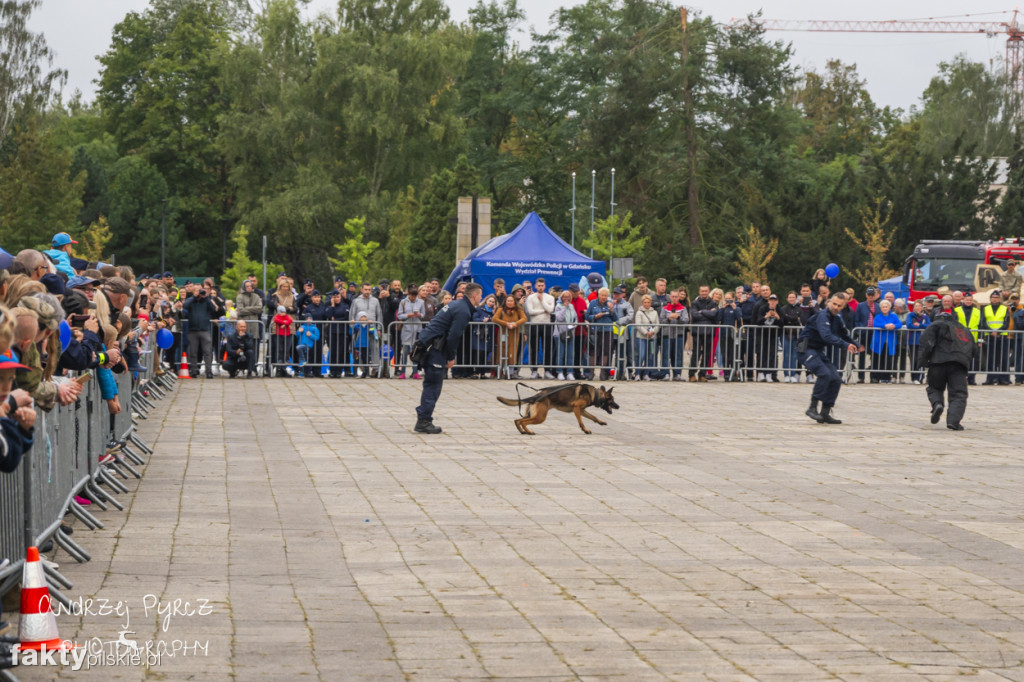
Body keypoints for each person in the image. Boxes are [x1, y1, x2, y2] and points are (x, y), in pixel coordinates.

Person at [413, 283, 482, 433]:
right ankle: (424, 420)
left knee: (431, 384)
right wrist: (451, 357)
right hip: (435, 349)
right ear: (474, 296)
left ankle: (424, 417)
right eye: (480, 296)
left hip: (430, 345)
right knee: (433, 386)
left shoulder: (457, 305)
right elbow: (454, 336)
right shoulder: (463, 310)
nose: (481, 299)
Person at [798, 293, 862, 424]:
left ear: (843, 307)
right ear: (829, 302)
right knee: (825, 374)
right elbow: (826, 336)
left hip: (817, 351)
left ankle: (825, 412)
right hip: (806, 349)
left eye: (839, 305)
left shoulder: (837, 319)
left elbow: (844, 335)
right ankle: (812, 407)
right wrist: (845, 345)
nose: (836, 307)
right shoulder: (823, 316)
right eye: (834, 304)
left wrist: (856, 345)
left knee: (836, 379)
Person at [918, 311, 976, 431]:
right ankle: (953, 421)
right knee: (959, 393)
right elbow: (974, 349)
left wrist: (923, 362)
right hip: (958, 364)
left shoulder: (934, 325)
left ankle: (937, 404)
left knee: (934, 388)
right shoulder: (964, 329)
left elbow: (926, 343)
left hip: (938, 362)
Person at [524, 277, 556, 379]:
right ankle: (534, 370)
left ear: (545, 286)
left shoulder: (549, 297)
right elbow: (530, 311)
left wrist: (542, 301)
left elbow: (550, 310)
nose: (540, 287)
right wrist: (543, 310)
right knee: (534, 348)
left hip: (546, 325)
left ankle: (547, 370)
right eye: (539, 285)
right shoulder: (531, 298)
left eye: (542, 286)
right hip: (534, 324)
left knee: (547, 348)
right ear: (535, 286)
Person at [493, 293, 527, 379]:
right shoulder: (501, 309)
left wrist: (516, 324)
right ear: (505, 301)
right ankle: (501, 371)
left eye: (511, 301)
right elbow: (494, 319)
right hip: (503, 334)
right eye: (508, 301)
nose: (510, 302)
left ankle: (511, 372)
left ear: (514, 302)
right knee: (502, 351)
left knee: (512, 352)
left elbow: (524, 318)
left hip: (514, 335)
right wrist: (506, 324)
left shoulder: (518, 309)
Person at [981, 290, 1011, 385]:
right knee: (990, 358)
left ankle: (1004, 379)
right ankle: (990, 379)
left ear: (999, 299)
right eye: (993, 297)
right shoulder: (985, 308)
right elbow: (983, 322)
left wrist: (998, 331)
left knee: (1003, 358)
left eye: (997, 297)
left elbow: (1006, 323)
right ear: (990, 299)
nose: (995, 299)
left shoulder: (1004, 309)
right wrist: (992, 332)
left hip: (1002, 337)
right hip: (990, 336)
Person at [869, 299, 902, 383]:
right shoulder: (878, 316)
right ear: (880, 308)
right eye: (883, 307)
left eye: (886, 306)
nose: (884, 308)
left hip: (889, 342)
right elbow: (875, 324)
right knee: (876, 359)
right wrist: (885, 325)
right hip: (878, 342)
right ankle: (874, 377)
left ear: (889, 307)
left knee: (888, 360)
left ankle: (886, 377)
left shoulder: (894, 316)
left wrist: (893, 325)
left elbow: (899, 324)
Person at [396, 284, 426, 379]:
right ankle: (403, 372)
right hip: (407, 329)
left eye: (415, 295)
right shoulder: (403, 302)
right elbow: (400, 315)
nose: (413, 297)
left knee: (415, 352)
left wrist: (418, 315)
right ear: (408, 294)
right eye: (411, 295)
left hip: (417, 328)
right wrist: (408, 315)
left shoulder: (421, 302)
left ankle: (415, 372)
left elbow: (423, 315)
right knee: (405, 352)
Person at [633, 295, 660, 380]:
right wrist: (646, 332)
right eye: (645, 302)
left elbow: (657, 324)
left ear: (650, 303)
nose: (647, 304)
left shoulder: (654, 312)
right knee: (641, 355)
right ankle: (637, 373)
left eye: (648, 302)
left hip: (652, 338)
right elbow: (638, 325)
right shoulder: (639, 312)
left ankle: (646, 374)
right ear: (642, 303)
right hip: (641, 338)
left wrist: (653, 332)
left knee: (650, 356)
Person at [553, 290, 577, 381]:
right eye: (565, 297)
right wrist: (564, 308)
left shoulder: (572, 306)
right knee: (560, 354)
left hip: (570, 333)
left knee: (570, 354)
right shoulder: (558, 306)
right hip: (560, 333)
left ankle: (570, 372)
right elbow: (559, 318)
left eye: (568, 297)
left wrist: (574, 324)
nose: (566, 299)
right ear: (561, 298)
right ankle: (560, 372)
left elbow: (575, 318)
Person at [905, 300, 931, 384]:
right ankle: (914, 378)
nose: (918, 307)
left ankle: (920, 377)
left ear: (922, 307)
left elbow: (929, 326)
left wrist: (919, 325)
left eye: (919, 306)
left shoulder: (925, 316)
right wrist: (917, 327)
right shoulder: (910, 315)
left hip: (922, 342)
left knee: (921, 360)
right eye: (916, 306)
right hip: (912, 341)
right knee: (913, 360)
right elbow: (909, 325)